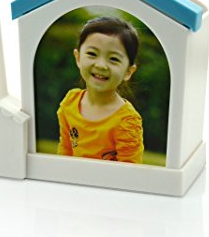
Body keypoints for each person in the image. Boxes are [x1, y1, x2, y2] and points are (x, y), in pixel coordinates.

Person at [57, 16, 144, 163]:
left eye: (114, 59)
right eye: (92, 54)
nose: (101, 65)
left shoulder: (127, 122)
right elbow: (65, 152)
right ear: (78, 58)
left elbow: (130, 172)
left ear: (128, 71)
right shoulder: (70, 102)